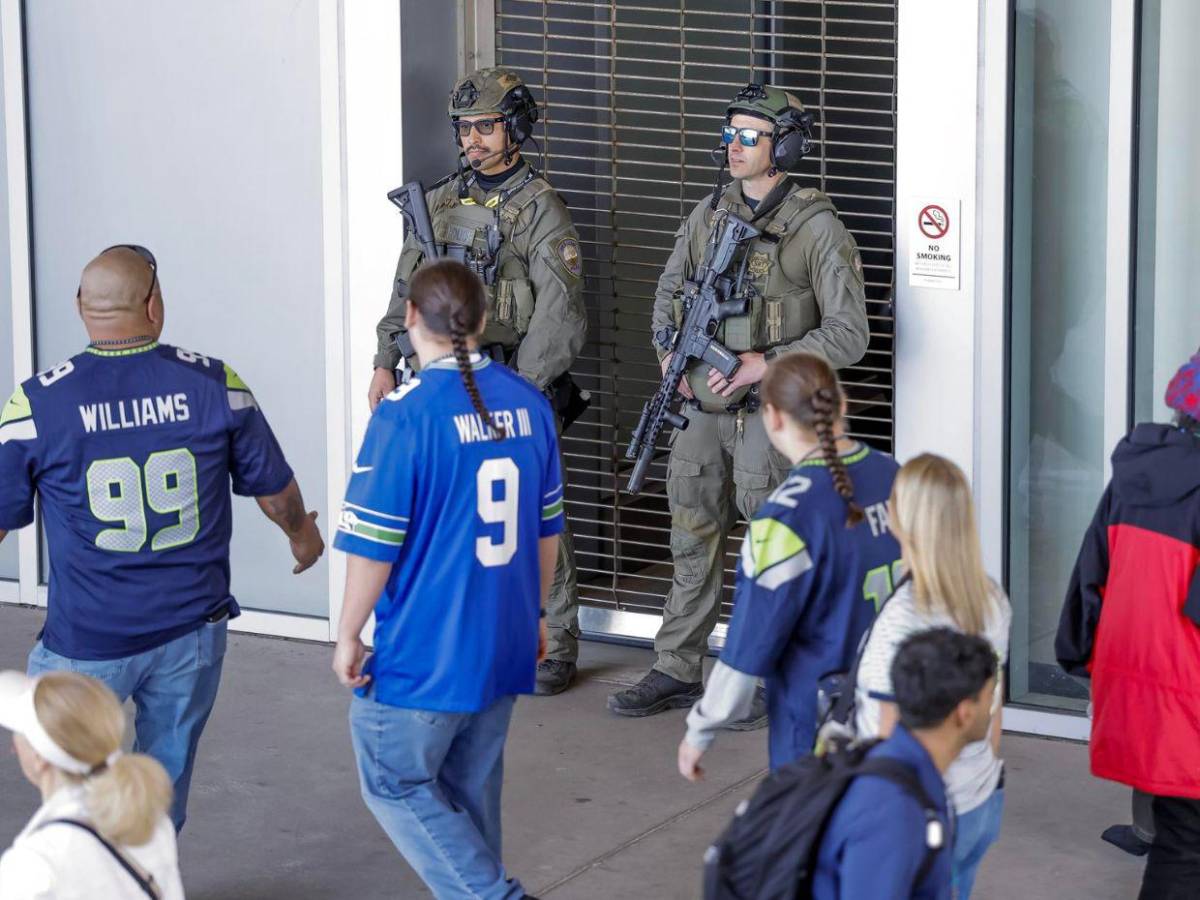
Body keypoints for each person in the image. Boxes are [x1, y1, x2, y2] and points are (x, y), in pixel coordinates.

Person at [0, 245, 325, 831]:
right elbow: (278, 496)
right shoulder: (215, 383)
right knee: (161, 788)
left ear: (80, 307)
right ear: (155, 305)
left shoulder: (38, 401)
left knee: (72, 794)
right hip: (191, 632)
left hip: (88, 637)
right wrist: (305, 540)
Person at [609, 81, 870, 721]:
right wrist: (671, 350)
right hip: (701, 412)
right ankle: (676, 666)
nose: (733, 146)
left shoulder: (815, 228)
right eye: (729, 133)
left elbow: (850, 333)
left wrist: (763, 365)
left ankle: (781, 673)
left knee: (776, 549)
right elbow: (669, 290)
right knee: (691, 539)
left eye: (749, 136)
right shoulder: (709, 214)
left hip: (772, 418)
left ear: (783, 145)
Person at [334, 260, 563, 899]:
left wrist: (349, 631)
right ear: (485, 321)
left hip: (429, 649)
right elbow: (546, 531)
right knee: (469, 795)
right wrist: (537, 616)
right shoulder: (529, 403)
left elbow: (375, 544)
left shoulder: (405, 416)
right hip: (504, 638)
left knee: (393, 777)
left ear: (410, 320)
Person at [368, 66, 587, 697]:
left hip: (510, 377)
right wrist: (385, 358)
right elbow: (407, 291)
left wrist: (521, 388)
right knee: (447, 508)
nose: (473, 139)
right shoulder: (437, 204)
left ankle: (558, 636)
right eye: (465, 128)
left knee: (533, 509)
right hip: (437, 382)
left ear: (515, 127)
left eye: (486, 126)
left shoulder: (537, 208)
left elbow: (561, 314)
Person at [677, 353, 899, 773]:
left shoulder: (782, 520)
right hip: (903, 707)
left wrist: (700, 729)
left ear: (772, 418)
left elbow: (748, 646)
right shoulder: (897, 476)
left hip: (821, 726)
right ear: (842, 405)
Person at [1057, 346, 1200, 899]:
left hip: (1148, 686)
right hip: (1188, 693)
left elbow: (1089, 578)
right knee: (1186, 846)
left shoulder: (1140, 469)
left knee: (1181, 836)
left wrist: (1084, 662)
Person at [853, 453, 1012, 898]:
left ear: (900, 521)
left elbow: (890, 740)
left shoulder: (901, 620)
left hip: (912, 814)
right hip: (978, 796)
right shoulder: (991, 600)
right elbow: (991, 708)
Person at [813, 628, 997, 899]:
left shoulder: (911, 771)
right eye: (990, 697)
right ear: (964, 713)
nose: (993, 708)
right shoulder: (893, 809)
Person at [0, 669, 185, 899]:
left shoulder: (36, 861)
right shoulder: (151, 816)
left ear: (39, 760)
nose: (12, 749)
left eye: (18, 740)